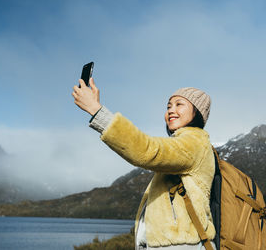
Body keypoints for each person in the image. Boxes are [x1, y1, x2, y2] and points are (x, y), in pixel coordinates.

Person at [72, 78, 216, 249]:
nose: (171, 110)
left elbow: (147, 150)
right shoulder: (188, 144)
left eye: (179, 104)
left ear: (197, 112)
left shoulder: (194, 142)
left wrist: (96, 111)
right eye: (168, 106)